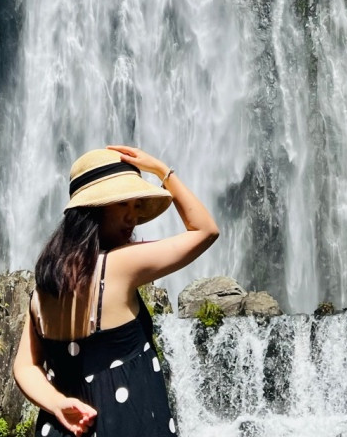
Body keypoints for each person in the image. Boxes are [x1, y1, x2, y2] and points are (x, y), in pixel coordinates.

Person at [13, 145, 219, 437]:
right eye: (122, 204)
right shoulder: (120, 265)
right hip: (126, 422)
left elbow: (25, 367)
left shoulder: (44, 288)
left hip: (65, 428)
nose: (132, 217)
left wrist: (57, 404)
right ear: (93, 209)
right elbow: (205, 230)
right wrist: (162, 171)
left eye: (137, 205)